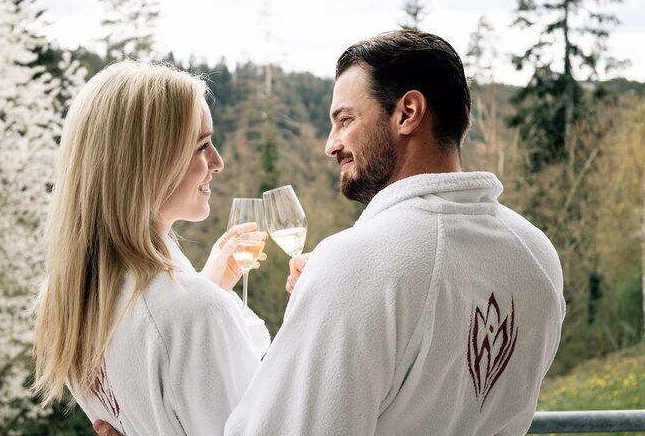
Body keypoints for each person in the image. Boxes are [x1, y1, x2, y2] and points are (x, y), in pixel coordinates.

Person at [96, 29, 565, 436]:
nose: (330, 145)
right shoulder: (536, 254)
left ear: (407, 113)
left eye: (345, 120)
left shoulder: (355, 263)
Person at [33, 61, 270, 436]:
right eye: (202, 146)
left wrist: (208, 285)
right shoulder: (193, 311)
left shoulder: (69, 297)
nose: (218, 163)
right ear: (148, 165)